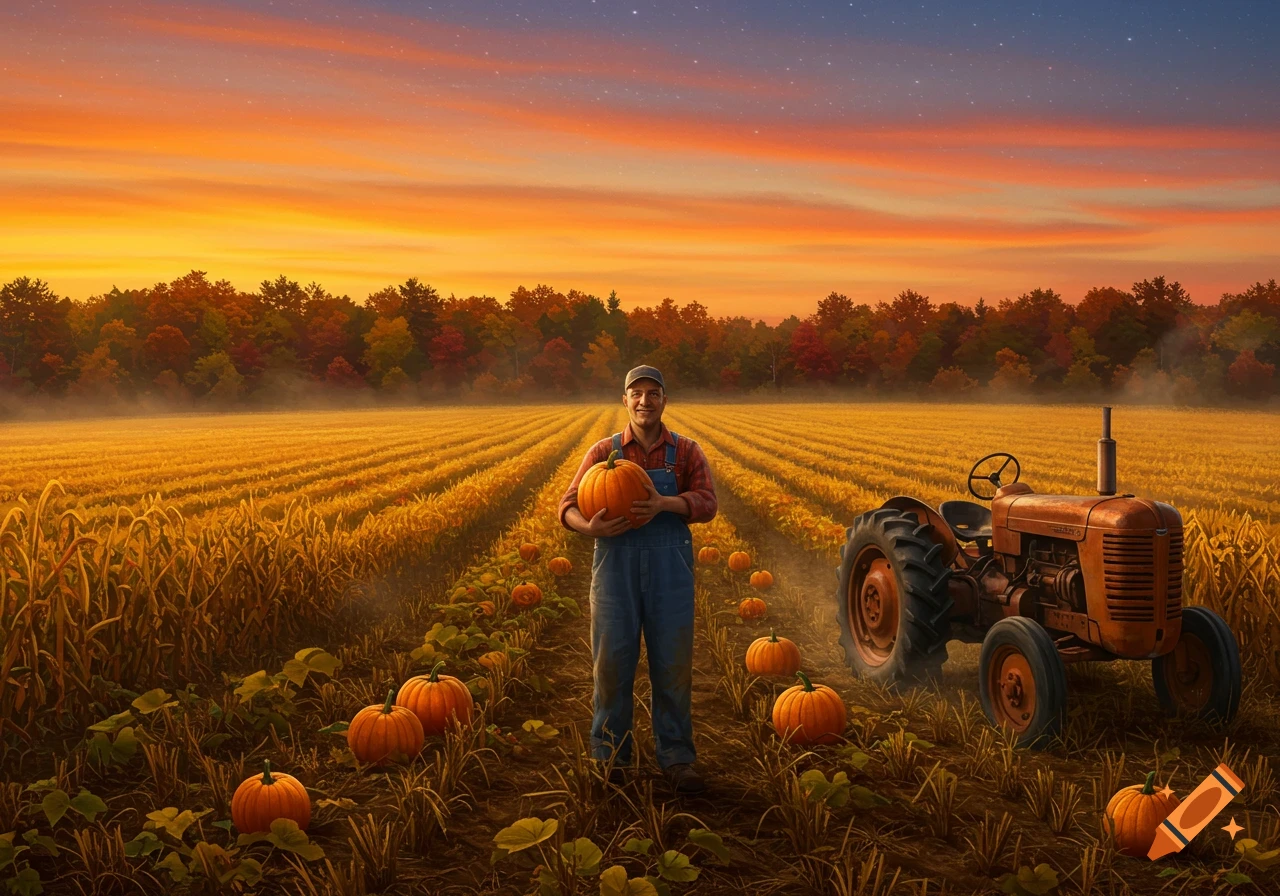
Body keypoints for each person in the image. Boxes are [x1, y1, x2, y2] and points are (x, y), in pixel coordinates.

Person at [559, 365, 717, 794]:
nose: (644, 401)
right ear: (624, 400)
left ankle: (677, 757)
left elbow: (707, 504)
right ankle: (611, 756)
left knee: (672, 666)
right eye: (636, 393)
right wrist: (588, 528)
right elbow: (567, 506)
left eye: (653, 393)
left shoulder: (685, 452)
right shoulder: (600, 452)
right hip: (615, 569)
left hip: (670, 572)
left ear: (664, 400)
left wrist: (665, 503)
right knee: (611, 665)